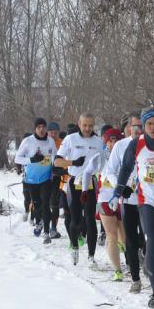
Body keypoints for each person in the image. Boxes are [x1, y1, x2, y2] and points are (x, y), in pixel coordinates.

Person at [112, 107, 154, 309]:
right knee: (151, 241)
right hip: (146, 200)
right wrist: (117, 191)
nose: (153, 127)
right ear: (143, 126)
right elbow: (125, 168)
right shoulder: (137, 144)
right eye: (148, 124)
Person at [55, 113, 103, 265]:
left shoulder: (98, 141)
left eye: (90, 125)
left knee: (90, 220)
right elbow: (56, 162)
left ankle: (91, 256)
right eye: (85, 125)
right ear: (79, 124)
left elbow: (104, 162)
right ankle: (74, 246)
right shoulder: (70, 139)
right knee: (75, 220)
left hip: (90, 183)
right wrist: (73, 162)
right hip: (74, 182)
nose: (88, 128)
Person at [109, 113, 145, 293]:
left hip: (148, 200)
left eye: (141, 125)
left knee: (147, 237)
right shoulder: (120, 146)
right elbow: (110, 170)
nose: (138, 129)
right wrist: (121, 187)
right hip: (129, 199)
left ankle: (144, 257)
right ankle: (135, 278)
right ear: (128, 127)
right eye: (135, 126)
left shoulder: (150, 144)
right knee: (130, 239)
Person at [83, 128, 126, 280]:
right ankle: (118, 270)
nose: (113, 143)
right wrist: (84, 190)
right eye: (110, 140)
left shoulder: (125, 155)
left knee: (124, 236)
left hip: (122, 199)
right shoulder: (100, 157)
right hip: (105, 199)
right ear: (105, 142)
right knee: (111, 235)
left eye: (116, 140)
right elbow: (87, 172)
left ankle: (124, 249)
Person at [15, 118, 57, 243]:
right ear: (35, 129)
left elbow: (55, 156)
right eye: (38, 127)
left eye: (43, 126)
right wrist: (31, 160)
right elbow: (18, 158)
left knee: (45, 204)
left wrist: (56, 168)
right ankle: (39, 222)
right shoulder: (28, 141)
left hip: (46, 178)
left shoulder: (50, 141)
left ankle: (46, 233)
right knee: (37, 205)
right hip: (32, 179)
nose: (41, 129)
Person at [47, 121, 64, 239]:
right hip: (44, 177)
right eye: (51, 132)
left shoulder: (62, 143)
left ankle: (53, 228)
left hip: (57, 177)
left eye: (55, 132)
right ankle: (44, 224)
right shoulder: (44, 143)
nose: (53, 134)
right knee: (44, 203)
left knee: (54, 203)